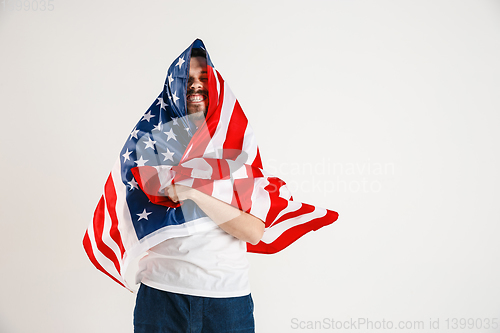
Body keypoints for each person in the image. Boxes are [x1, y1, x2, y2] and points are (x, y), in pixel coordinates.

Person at [133, 47, 264, 333]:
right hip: (161, 296)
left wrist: (194, 193)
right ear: (173, 86)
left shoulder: (237, 144)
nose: (194, 83)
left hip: (226, 300)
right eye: (186, 77)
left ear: (215, 84)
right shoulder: (148, 143)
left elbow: (253, 231)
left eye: (203, 76)